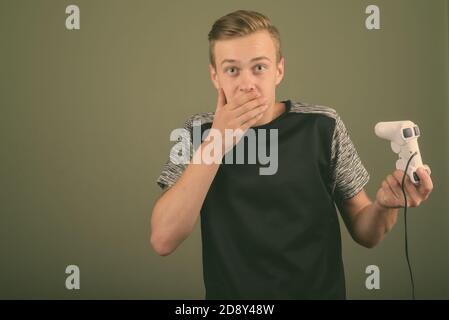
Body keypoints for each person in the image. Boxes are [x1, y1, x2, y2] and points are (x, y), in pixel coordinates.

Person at [150, 10, 433, 299]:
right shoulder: (197, 132)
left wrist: (386, 206)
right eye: (232, 70)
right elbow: (163, 239)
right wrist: (217, 141)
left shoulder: (322, 125)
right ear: (215, 76)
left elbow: (367, 233)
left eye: (259, 67)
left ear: (279, 70)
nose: (247, 83)